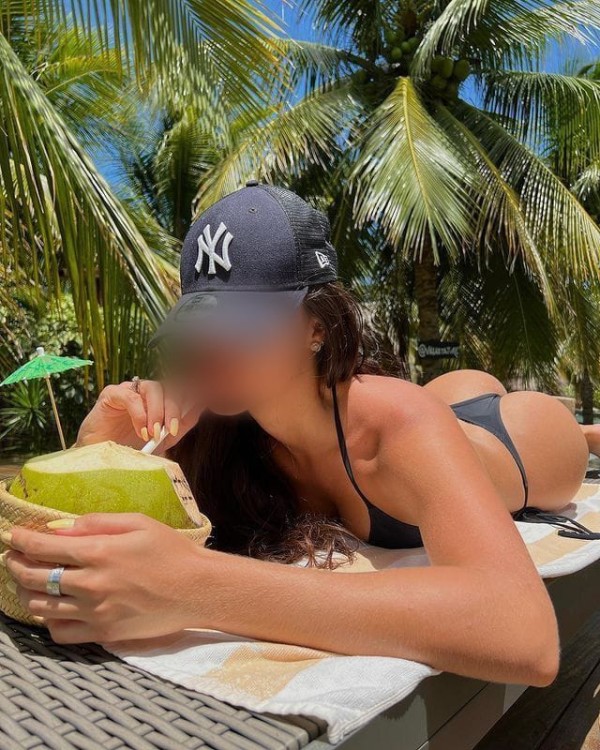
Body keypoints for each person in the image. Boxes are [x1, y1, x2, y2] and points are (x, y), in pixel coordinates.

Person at [3, 180, 597, 688]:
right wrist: (97, 449)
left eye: (245, 326)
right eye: (202, 325)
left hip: (516, 440)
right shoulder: (208, 432)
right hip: (421, 412)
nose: (213, 348)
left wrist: (198, 587)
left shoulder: (398, 424)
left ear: (317, 326)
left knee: (547, 433)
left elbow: (523, 634)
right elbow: (53, 561)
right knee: (434, 400)